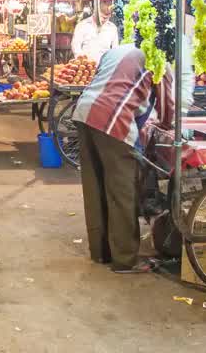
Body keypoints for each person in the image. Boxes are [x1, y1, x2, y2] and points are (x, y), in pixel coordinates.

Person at [71, 44, 173, 272]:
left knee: (95, 186)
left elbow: (104, 80)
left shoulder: (118, 49)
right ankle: (125, 259)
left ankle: (101, 252)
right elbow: (167, 107)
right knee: (122, 191)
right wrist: (166, 124)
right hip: (112, 120)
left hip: (84, 113)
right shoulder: (159, 61)